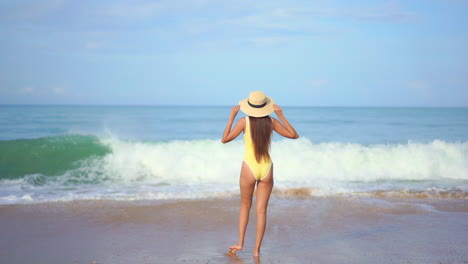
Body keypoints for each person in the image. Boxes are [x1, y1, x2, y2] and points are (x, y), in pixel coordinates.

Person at [221, 91, 299, 257]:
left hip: (249, 168)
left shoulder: (244, 121)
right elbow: (294, 135)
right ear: (265, 107)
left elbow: (225, 139)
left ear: (249, 107)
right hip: (267, 169)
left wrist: (231, 118)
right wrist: (281, 115)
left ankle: (240, 244)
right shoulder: (271, 122)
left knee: (245, 206)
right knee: (261, 211)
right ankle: (256, 251)